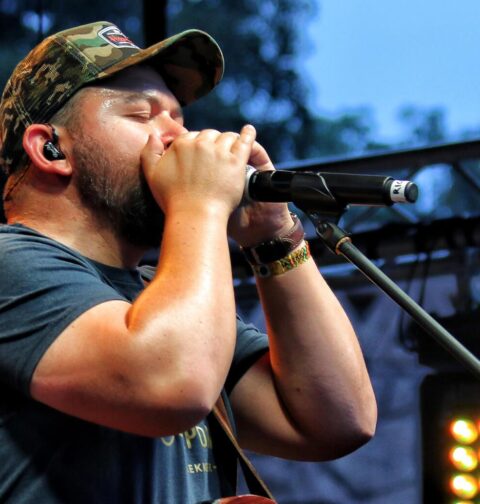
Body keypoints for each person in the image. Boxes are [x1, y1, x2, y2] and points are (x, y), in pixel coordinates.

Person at [0, 21, 377, 503]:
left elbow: (336, 419)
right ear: (50, 148)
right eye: (142, 115)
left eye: (179, 118)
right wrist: (201, 201)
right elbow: (170, 384)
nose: (180, 137)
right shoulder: (10, 265)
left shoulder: (162, 299)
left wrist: (274, 238)